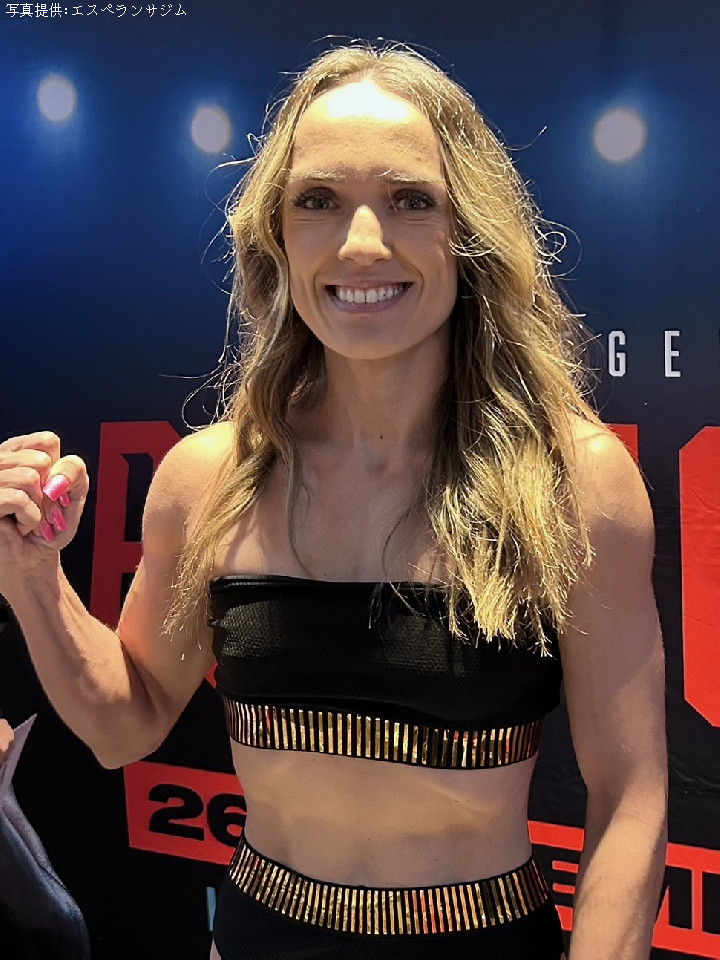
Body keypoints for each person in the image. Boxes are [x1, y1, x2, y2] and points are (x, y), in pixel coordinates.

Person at [0, 42, 666, 960]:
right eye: (317, 200)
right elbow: (125, 724)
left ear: (468, 230)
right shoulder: (209, 477)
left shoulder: (574, 482)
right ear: (276, 236)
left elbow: (631, 796)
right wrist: (30, 574)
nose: (360, 243)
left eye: (410, 199)